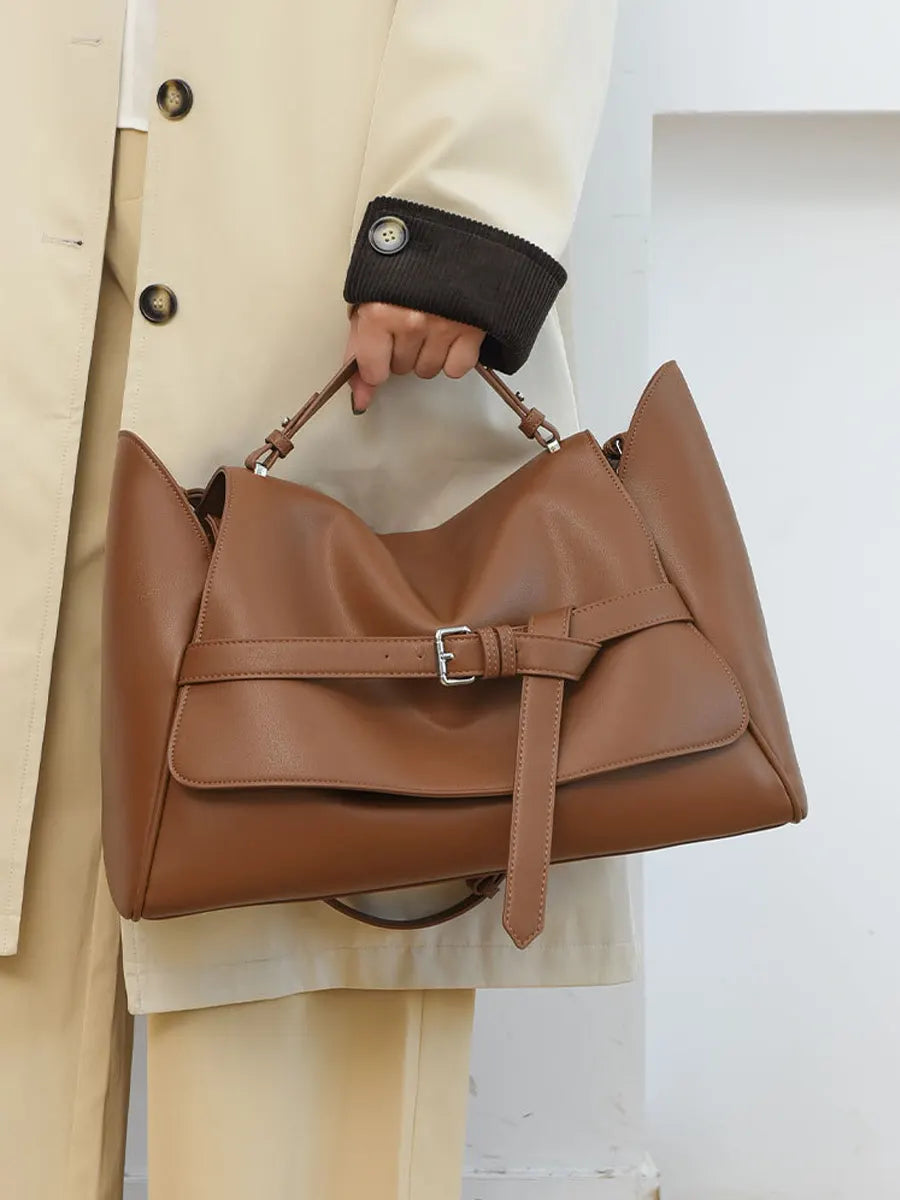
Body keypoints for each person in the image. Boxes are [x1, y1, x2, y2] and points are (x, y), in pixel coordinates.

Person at [0, 2, 633, 1197]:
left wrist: (457, 206)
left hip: (320, 204)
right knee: (17, 848)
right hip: (34, 149)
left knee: (310, 860)